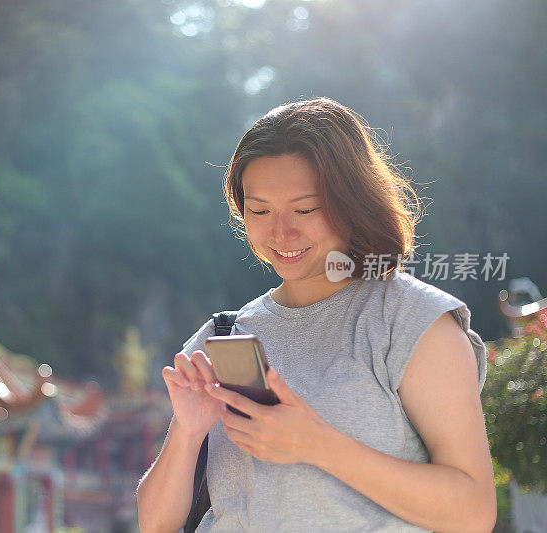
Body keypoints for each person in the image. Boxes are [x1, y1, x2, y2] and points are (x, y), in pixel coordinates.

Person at [135, 97, 496, 532]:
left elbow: (473, 513)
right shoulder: (226, 335)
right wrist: (188, 433)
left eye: (305, 209)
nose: (281, 232)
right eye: (260, 210)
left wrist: (317, 445)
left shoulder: (414, 322)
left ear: (352, 200)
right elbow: (155, 523)